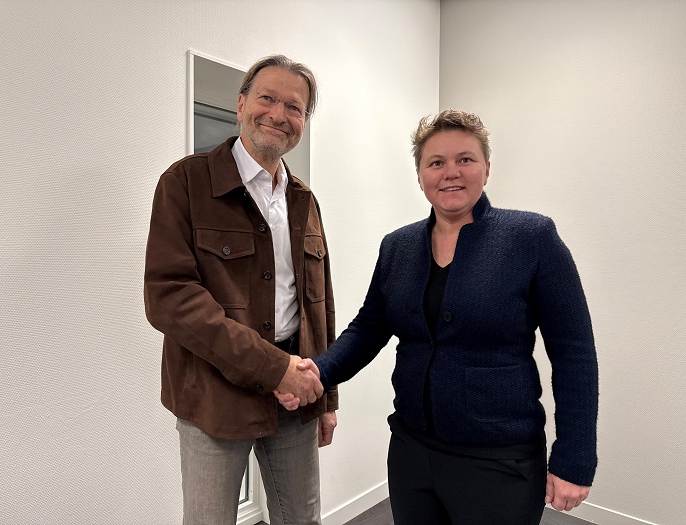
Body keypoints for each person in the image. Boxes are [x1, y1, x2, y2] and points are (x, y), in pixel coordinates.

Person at [276, 110, 598, 525]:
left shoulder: (531, 238)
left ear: (486, 168)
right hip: (412, 453)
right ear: (420, 175)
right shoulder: (398, 246)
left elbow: (573, 352)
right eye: (436, 162)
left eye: (465, 159)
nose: (451, 173)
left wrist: (574, 458)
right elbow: (369, 327)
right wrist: (319, 372)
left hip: (500, 460)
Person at [144, 54, 337, 525]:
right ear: (241, 104)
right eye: (267, 98)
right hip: (214, 395)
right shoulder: (185, 183)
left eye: (294, 107)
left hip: (296, 393)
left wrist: (326, 396)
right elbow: (170, 298)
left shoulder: (304, 200)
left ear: (304, 121)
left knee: (302, 519)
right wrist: (274, 369)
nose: (279, 114)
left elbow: (319, 305)